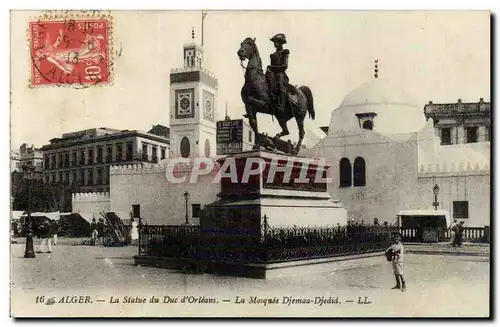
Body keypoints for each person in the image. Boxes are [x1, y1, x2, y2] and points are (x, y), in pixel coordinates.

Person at [267, 33, 289, 114]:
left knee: (280, 84)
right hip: (272, 73)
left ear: (280, 43)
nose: (274, 43)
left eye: (276, 42)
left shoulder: (284, 53)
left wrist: (272, 68)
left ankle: (282, 106)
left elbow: (285, 66)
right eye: (274, 42)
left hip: (280, 73)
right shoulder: (273, 55)